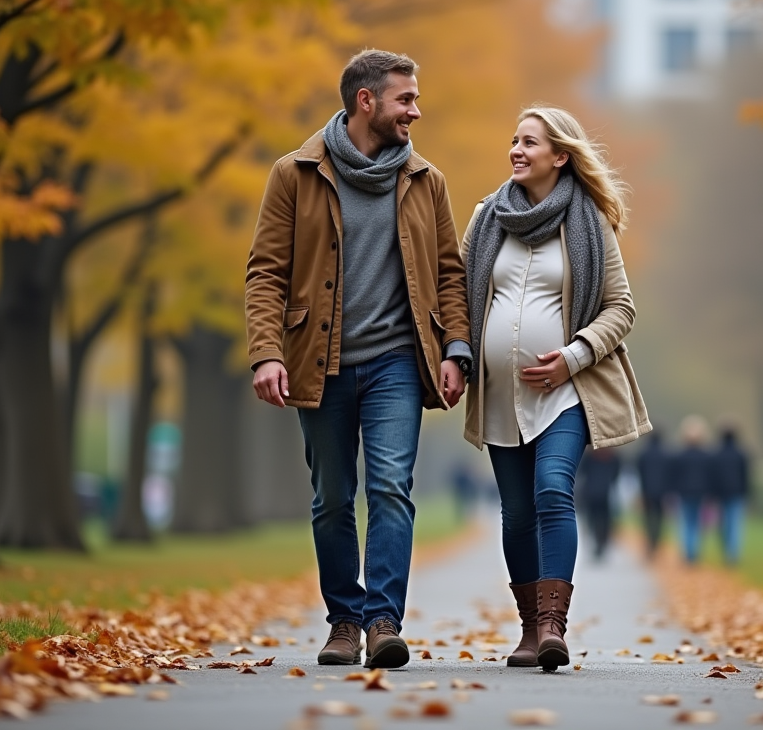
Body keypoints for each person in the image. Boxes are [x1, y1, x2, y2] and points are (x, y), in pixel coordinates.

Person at [245, 50, 471, 669]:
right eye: (405, 100)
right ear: (365, 101)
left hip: (398, 360)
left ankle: (382, 622)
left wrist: (457, 350)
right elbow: (266, 272)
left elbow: (449, 273)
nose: (415, 112)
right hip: (320, 362)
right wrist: (267, 352)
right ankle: (343, 620)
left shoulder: (426, 180)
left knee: (391, 489)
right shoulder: (294, 173)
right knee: (333, 498)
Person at [461, 105, 651, 671]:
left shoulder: (589, 223)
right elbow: (456, 294)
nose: (516, 150)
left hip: (565, 393)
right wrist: (457, 354)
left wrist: (572, 358)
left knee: (552, 491)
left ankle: (552, 626)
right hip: (498, 394)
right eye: (513, 140)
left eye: (530, 143)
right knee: (516, 513)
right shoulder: (487, 217)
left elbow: (622, 307)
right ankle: (527, 630)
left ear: (560, 156)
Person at [709, 421, 751, 566]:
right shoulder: (741, 454)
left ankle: (727, 551)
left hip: (721, 495)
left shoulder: (716, 454)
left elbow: (713, 477)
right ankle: (733, 554)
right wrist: (748, 495)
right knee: (735, 524)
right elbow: (746, 477)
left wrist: (712, 494)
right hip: (737, 494)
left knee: (724, 525)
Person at [672, 415, 711, 565]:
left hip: (684, 493)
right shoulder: (706, 456)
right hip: (700, 493)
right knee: (697, 523)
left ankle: (688, 552)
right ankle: (694, 551)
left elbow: (675, 477)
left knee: (686, 522)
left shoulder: (680, 456)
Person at [576, 446, 622, 562]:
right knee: (604, 519)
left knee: (592, 518)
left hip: (590, 492)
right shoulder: (612, 456)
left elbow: (582, 471)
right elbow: (616, 473)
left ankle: (596, 540)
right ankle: (601, 541)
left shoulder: (589, 455)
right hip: (605, 492)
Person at [635, 432, 671, 560]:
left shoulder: (644, 454)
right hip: (662, 493)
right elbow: (669, 476)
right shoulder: (666, 454)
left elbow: (640, 474)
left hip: (647, 492)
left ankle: (650, 542)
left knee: (648, 519)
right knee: (659, 519)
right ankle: (655, 542)